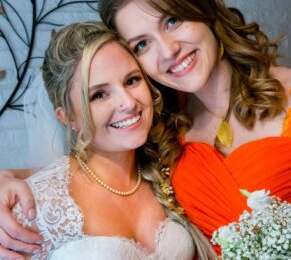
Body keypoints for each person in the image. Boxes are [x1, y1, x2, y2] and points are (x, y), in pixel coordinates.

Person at [0, 0, 291, 257]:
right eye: (142, 44)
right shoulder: (163, 126)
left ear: (203, 8)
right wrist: (9, 178)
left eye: (173, 21)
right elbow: (93, 172)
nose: (168, 51)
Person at [1, 21, 215, 259]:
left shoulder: (169, 166)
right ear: (67, 116)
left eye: (132, 80)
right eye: (99, 95)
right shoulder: (34, 206)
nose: (128, 103)